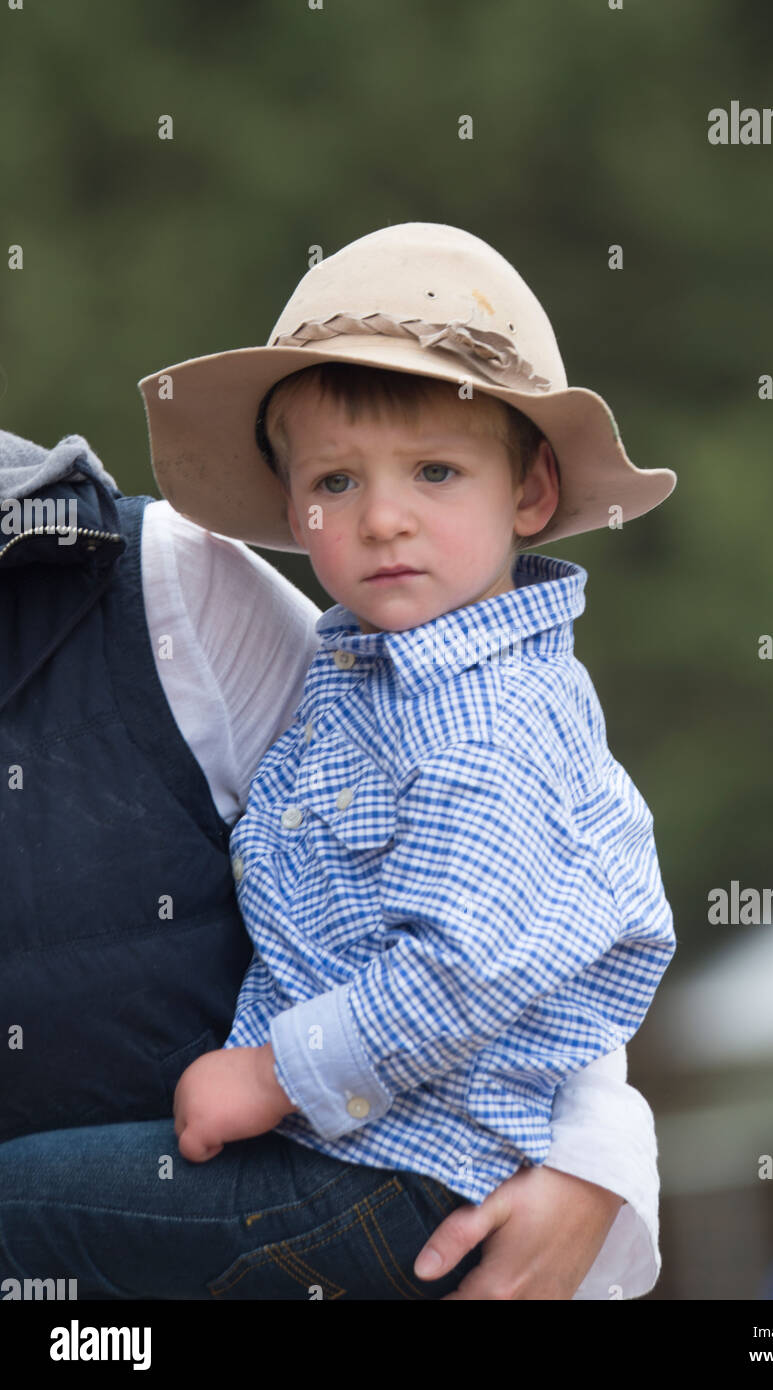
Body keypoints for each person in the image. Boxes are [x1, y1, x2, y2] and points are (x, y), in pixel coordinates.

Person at [0, 221, 675, 1299]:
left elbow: (470, 969)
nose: (384, 520)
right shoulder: (367, 673)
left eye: (436, 470)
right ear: (290, 505)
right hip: (368, 1161)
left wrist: (276, 1073)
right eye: (337, 483)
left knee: (19, 1221)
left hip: (382, 1173)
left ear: (532, 494)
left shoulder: (480, 719)